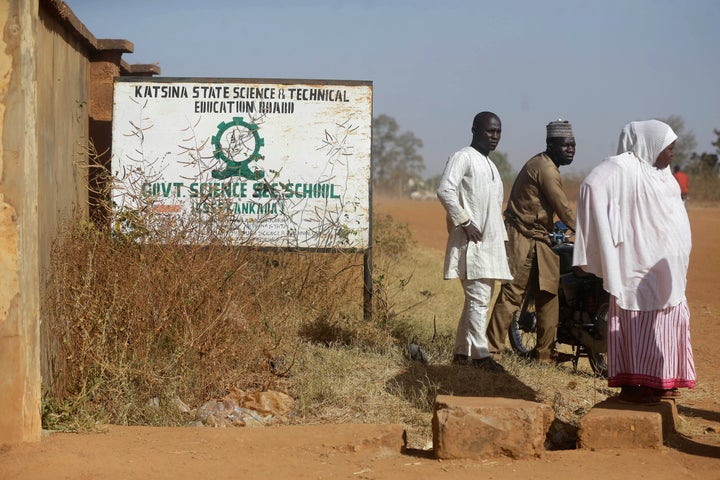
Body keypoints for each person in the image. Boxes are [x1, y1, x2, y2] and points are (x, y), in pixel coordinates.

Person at [573, 120, 695, 404]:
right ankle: (633, 383)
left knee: (667, 319)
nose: (672, 153)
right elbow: (592, 185)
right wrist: (607, 231)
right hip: (637, 264)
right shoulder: (626, 166)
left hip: (667, 268)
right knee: (635, 320)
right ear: (649, 144)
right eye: (668, 147)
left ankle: (661, 380)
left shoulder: (663, 174)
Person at [486, 120, 577, 364]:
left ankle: (544, 355)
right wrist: (589, 231)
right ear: (550, 145)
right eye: (565, 145)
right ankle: (492, 351)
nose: (570, 149)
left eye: (573, 145)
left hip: (541, 238)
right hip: (522, 236)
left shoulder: (547, 165)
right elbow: (564, 209)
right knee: (513, 293)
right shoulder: (545, 169)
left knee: (548, 295)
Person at [436, 111, 512, 372]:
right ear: (475, 130)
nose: (495, 136)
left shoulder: (491, 165)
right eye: (490, 130)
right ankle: (480, 356)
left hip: (489, 244)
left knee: (477, 299)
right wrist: (464, 221)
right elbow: (444, 188)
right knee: (479, 298)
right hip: (471, 243)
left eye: (498, 131)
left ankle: (460, 354)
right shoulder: (463, 157)